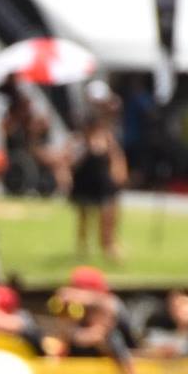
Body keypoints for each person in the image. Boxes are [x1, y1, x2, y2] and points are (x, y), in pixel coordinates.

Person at [69, 111, 126, 264]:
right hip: (84, 182)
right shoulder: (78, 141)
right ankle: (82, 247)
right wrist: (87, 148)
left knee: (108, 215)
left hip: (103, 184)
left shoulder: (106, 139)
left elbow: (116, 157)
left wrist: (119, 172)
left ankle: (108, 244)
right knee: (84, 217)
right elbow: (72, 163)